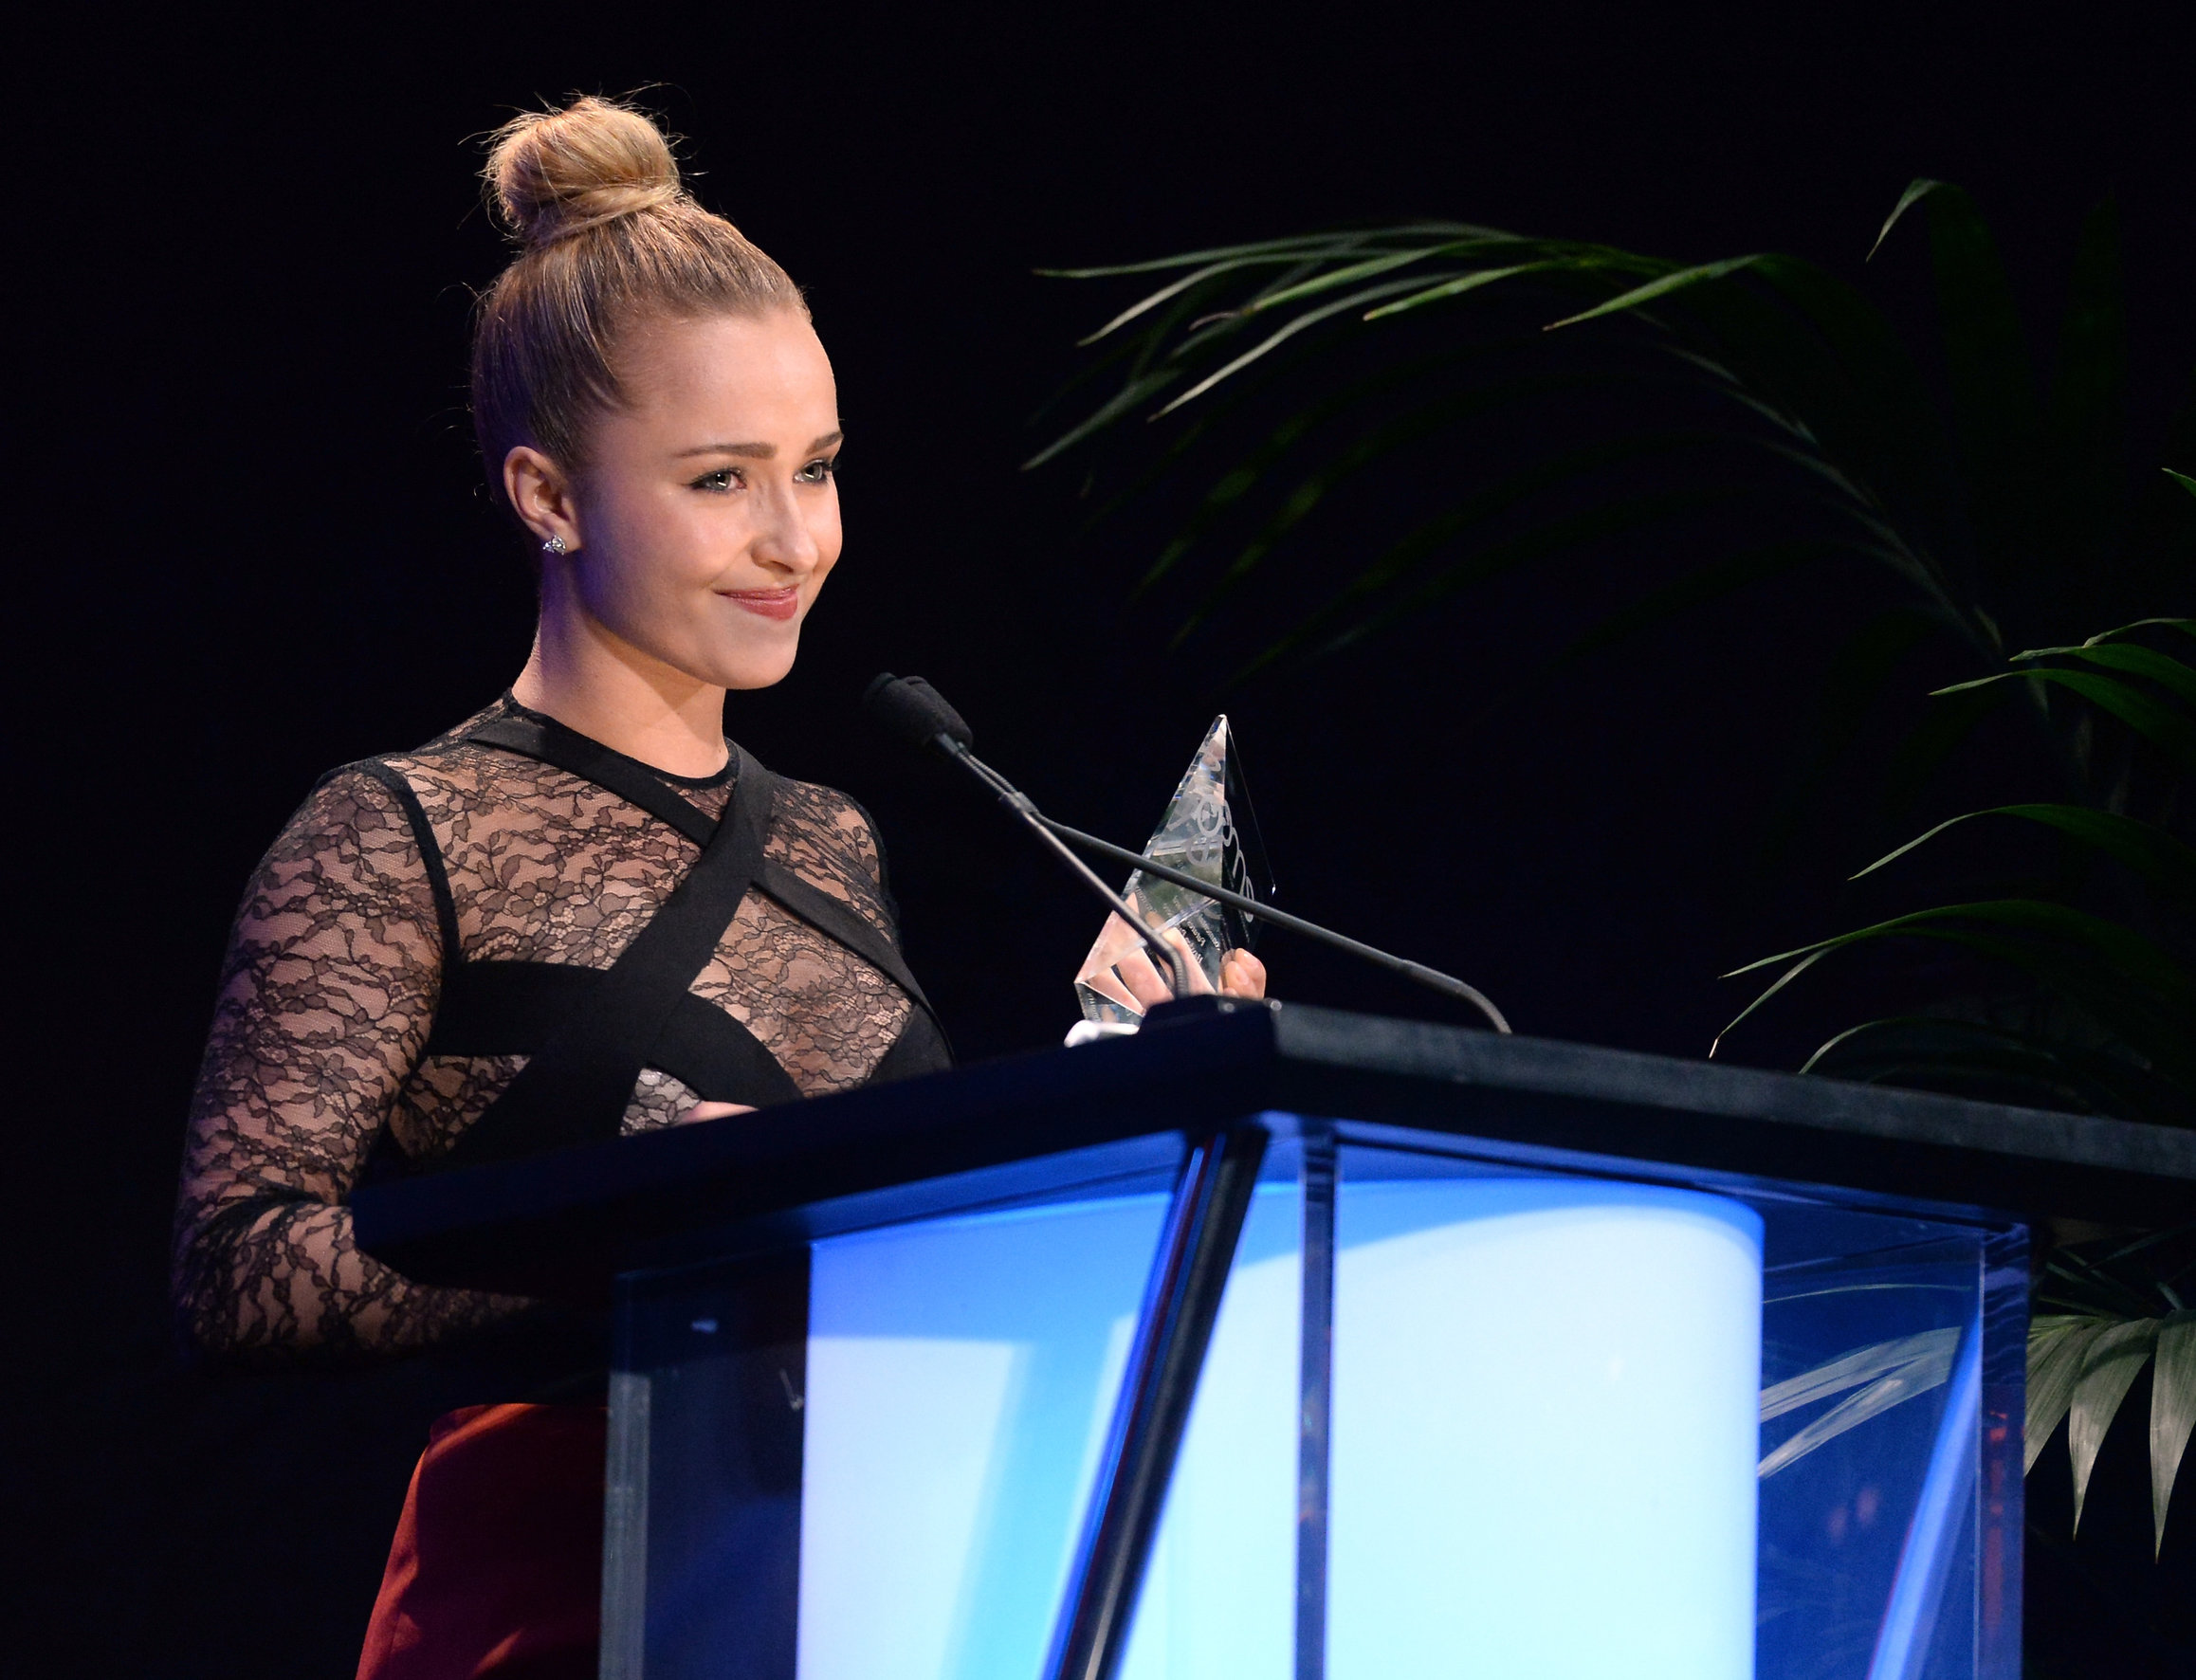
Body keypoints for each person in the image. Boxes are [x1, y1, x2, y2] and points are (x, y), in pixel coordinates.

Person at [171, 94, 1266, 1680]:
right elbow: (236, 1268)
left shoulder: (834, 836)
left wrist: (1136, 1099)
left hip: (889, 1592)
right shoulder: (401, 832)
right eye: (720, 482)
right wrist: (646, 1234)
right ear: (548, 497)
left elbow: (902, 1257)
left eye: (815, 471)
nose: (793, 541)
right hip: (559, 1606)